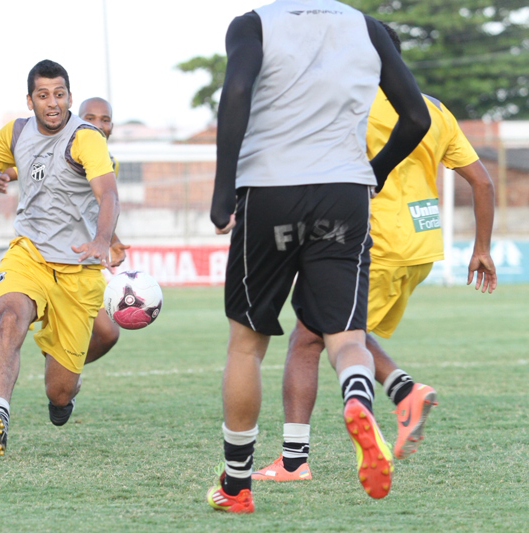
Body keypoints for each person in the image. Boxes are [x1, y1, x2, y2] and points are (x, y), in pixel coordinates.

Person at [206, 1, 431, 513]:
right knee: (347, 336)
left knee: (247, 344)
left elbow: (237, 91)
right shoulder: (367, 27)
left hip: (270, 190)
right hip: (344, 193)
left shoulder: (253, 24)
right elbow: (415, 116)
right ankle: (357, 395)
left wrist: (223, 192)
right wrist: (374, 170)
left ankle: (237, 487)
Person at [253, 22, 497, 483]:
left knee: (312, 340)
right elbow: (481, 181)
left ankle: (306, 454)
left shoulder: (349, 106)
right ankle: (383, 402)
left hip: (364, 242)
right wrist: (481, 247)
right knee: (337, 334)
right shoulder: (434, 109)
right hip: (420, 247)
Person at [0, 60, 120, 457]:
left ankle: (63, 397)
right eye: (43, 95)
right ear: (29, 100)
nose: (52, 103)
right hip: (28, 254)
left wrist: (103, 240)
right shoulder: (16, 131)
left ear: (69, 97)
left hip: (78, 271)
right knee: (10, 317)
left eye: (60, 94)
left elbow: (108, 195)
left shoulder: (87, 139)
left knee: (60, 390)